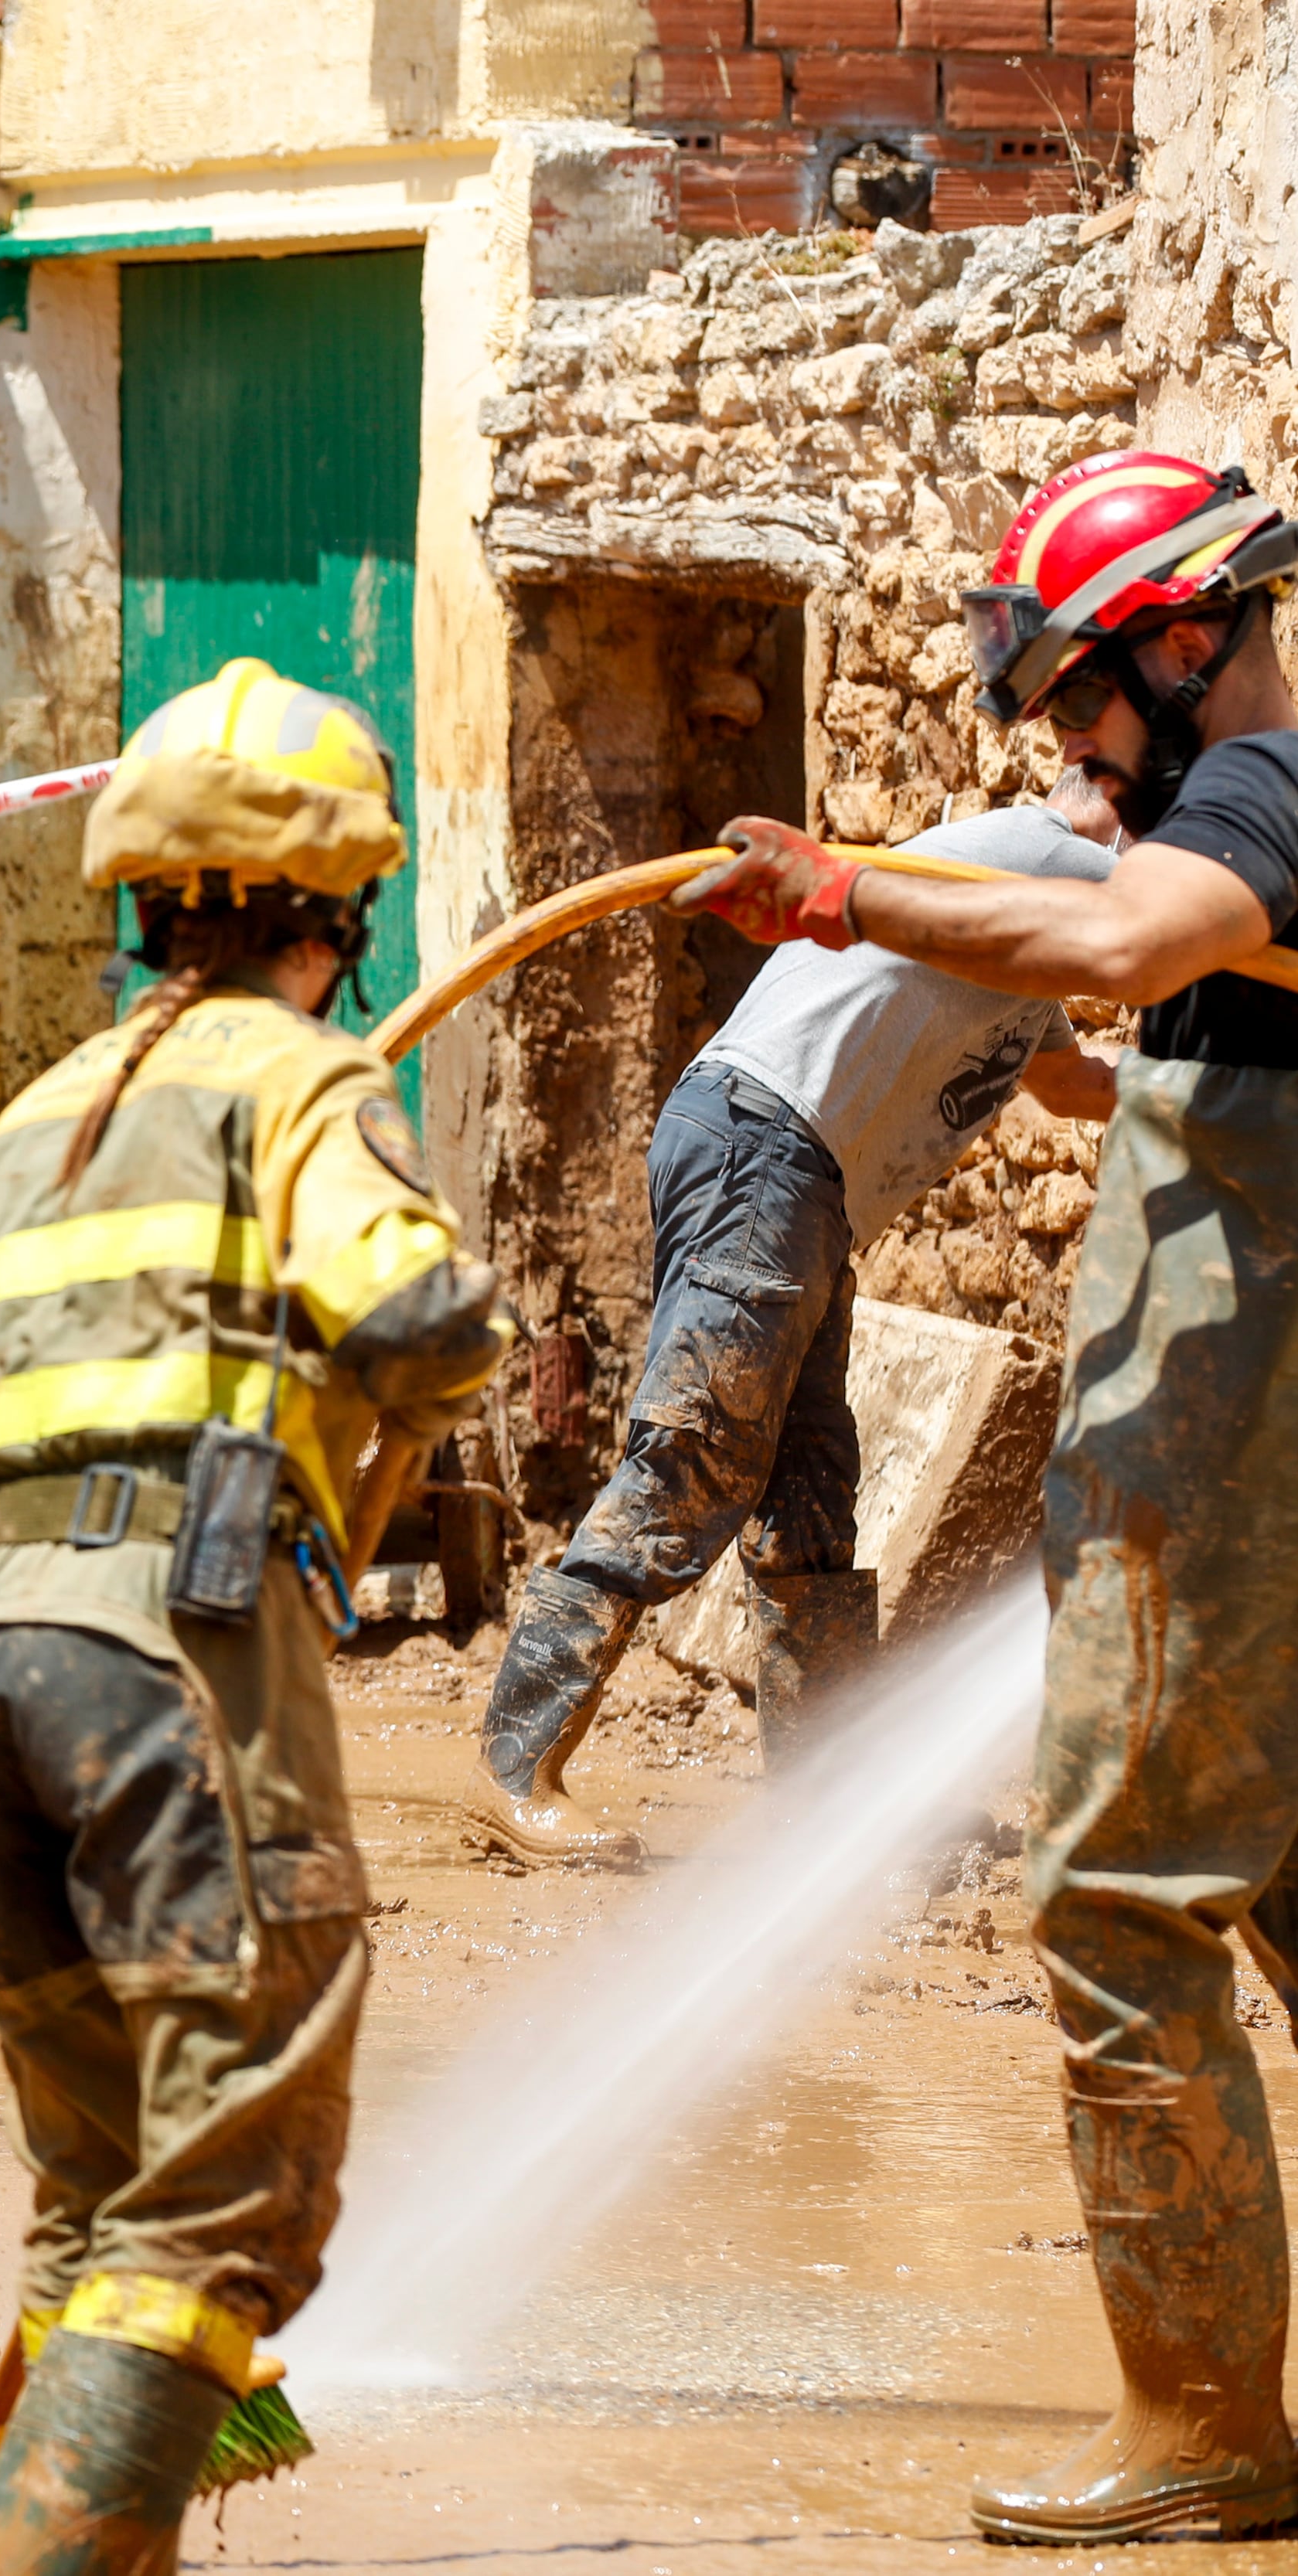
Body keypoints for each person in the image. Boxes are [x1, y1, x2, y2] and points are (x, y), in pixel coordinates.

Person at [678, 450, 1298, 2544]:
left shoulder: (1265, 805)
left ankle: (1201, 2417)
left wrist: (847, 888)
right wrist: (1086, 1054)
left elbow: (1132, 938)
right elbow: (1172, 1036)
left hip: (1226, 1506)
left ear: (1189, 640)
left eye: (1080, 705)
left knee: (1120, 1904)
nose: (1067, 758)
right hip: (1232, 1496)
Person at [0, 660, 506, 2573]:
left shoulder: (27, 1123)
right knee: (229, 2197)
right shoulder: (300, 1077)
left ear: (147, 897)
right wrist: (449, 1360)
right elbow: (413, 1318)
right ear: (341, 906)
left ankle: (42, 2496)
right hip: (166, 1652)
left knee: (99, 2191)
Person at [462, 764, 1125, 1866]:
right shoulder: (1050, 850)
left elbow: (1070, 1085)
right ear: (1104, 787)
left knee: (809, 1491)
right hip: (763, 1144)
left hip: (794, 1173)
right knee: (700, 1453)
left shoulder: (1019, 941)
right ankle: (513, 1764)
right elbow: (1205, 892)